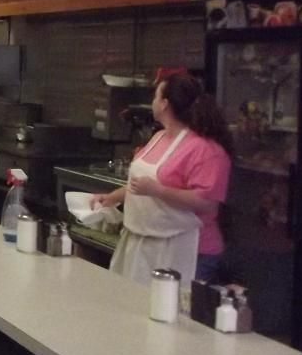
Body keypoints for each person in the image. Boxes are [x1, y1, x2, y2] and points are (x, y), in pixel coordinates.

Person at [91, 72, 233, 286]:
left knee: (172, 313)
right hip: (145, 243)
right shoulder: (159, 137)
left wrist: (157, 190)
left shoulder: (206, 150)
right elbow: (140, 185)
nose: (153, 102)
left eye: (155, 97)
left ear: (165, 104)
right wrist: (113, 197)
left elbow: (207, 203)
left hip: (191, 250)